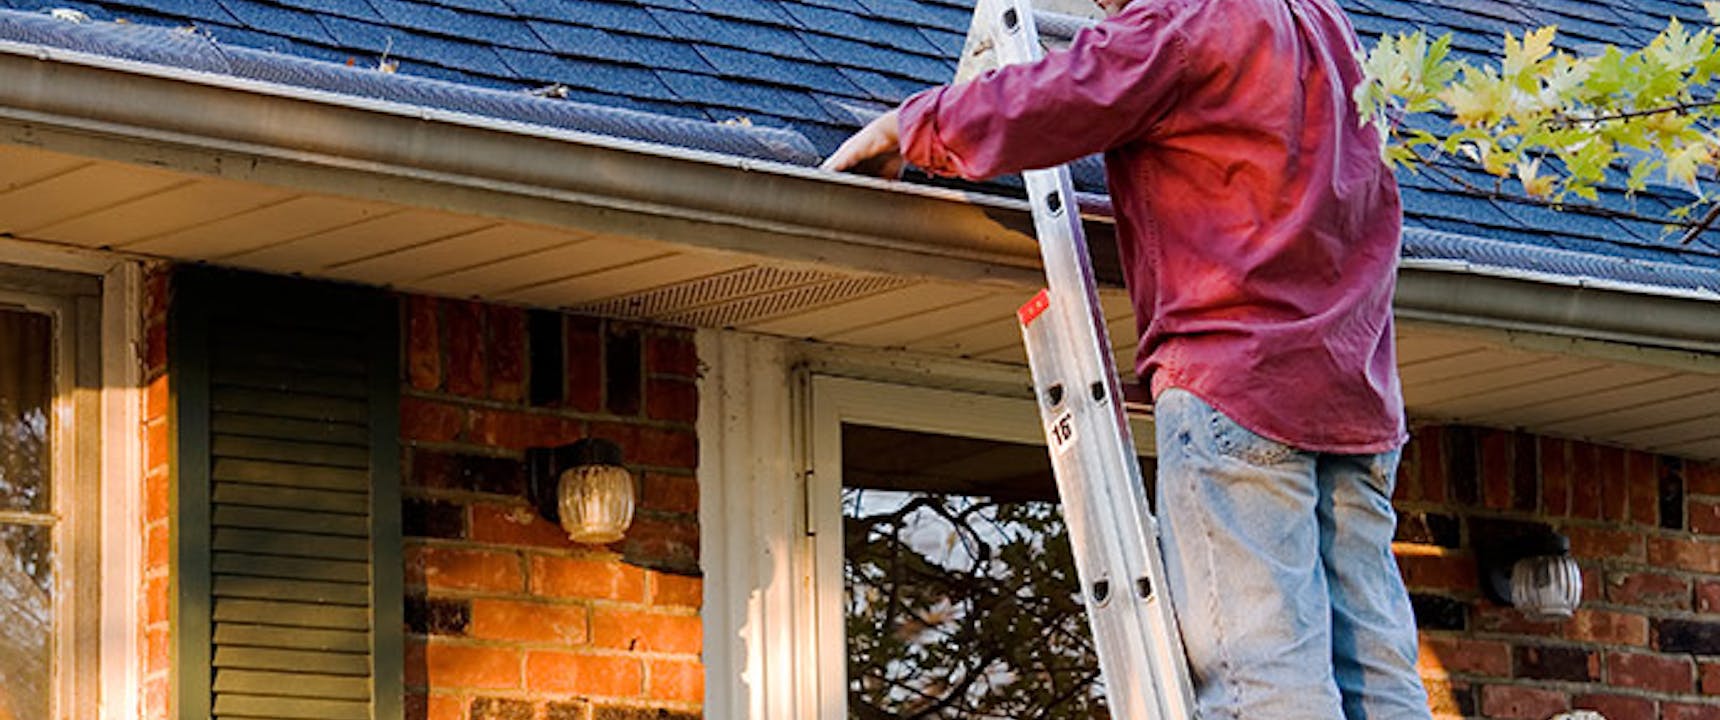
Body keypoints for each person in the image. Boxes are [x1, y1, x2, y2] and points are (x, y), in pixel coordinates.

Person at [821, 0, 1433, 717]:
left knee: (1265, 681)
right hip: (1355, 397)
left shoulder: (1189, 19)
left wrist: (913, 125)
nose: (1106, 9)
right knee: (1380, 675)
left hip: (1238, 387)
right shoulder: (1328, 26)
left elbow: (1061, 95)